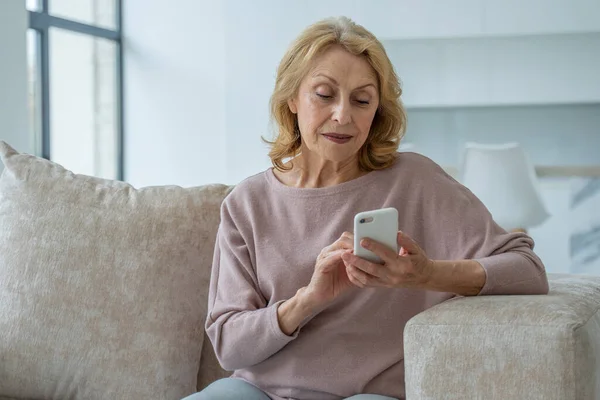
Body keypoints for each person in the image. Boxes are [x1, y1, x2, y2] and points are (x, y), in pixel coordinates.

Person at [183, 16, 549, 400]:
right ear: (291, 98)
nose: (343, 115)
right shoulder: (247, 203)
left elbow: (527, 271)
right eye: (324, 94)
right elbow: (228, 346)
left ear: (377, 111)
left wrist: (425, 275)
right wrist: (309, 299)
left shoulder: (415, 181)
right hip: (255, 391)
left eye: (362, 100)